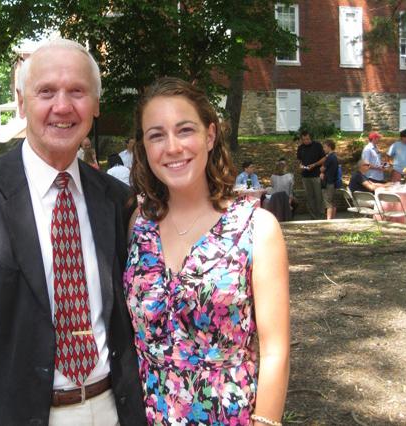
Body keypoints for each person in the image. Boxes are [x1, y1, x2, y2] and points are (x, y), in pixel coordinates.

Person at [0, 38, 145, 425]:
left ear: (94, 106)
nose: (62, 106)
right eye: (46, 92)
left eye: (77, 91)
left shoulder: (117, 200)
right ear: (23, 104)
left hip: (113, 408)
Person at [125, 77, 289, 425]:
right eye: (156, 135)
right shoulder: (138, 225)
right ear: (144, 147)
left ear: (209, 136)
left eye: (185, 130)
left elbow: (275, 349)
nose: (172, 147)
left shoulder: (257, 228)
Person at [296, 130, 325, 219]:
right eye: (304, 139)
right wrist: (300, 166)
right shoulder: (300, 148)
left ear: (311, 138)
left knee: (318, 196)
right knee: (309, 197)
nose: (306, 141)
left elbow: (324, 158)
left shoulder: (317, 146)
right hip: (305, 176)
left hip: (316, 175)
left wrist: (315, 164)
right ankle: (313, 216)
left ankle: (321, 215)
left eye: (307, 139)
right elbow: (299, 160)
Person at [320, 140, 339, 220]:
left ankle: (328, 220)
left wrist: (321, 172)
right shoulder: (335, 157)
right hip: (333, 182)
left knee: (328, 203)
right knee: (333, 202)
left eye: (324, 147)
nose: (323, 149)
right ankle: (333, 219)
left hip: (328, 182)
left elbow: (322, 169)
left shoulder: (329, 157)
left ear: (329, 147)